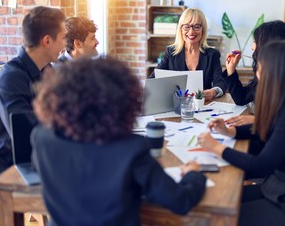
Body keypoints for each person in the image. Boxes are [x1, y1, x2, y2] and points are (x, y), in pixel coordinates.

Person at [31, 56, 206, 226]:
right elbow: (180, 200)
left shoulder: (42, 138)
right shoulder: (132, 149)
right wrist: (194, 174)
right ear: (121, 102)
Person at [198, 40, 285, 226]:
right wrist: (230, 131)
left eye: (259, 66)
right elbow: (264, 130)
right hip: (280, 188)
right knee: (215, 201)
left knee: (216, 215)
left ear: (274, 72)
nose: (256, 73)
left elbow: (260, 165)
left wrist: (216, 147)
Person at [0, 6, 66, 178]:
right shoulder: (11, 79)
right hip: (12, 168)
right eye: (63, 38)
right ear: (47, 41)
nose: (65, 44)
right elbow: (26, 137)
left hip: (39, 154)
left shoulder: (46, 70)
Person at [223, 20, 285, 126]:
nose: (252, 47)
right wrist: (231, 69)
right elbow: (242, 98)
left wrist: (256, 120)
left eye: (255, 41)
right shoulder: (272, 72)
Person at [150, 8, 226, 101]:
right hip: (175, 105)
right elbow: (153, 79)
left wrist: (213, 91)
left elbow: (220, 82)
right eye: (186, 26)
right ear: (181, 29)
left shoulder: (212, 55)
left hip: (202, 106)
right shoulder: (171, 52)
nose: (191, 32)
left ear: (203, 29)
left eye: (196, 26)